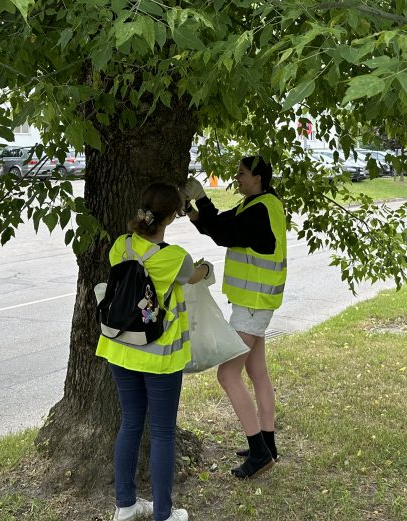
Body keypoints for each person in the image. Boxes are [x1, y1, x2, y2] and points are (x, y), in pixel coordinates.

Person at [96, 182, 211, 521]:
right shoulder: (175, 258)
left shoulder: (120, 245)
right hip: (160, 357)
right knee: (161, 432)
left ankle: (125, 506)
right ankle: (163, 514)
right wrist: (206, 269)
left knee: (130, 423)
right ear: (173, 216)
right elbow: (193, 276)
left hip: (120, 349)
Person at [183, 155, 286, 480]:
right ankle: (268, 444)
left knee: (227, 375)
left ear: (258, 177)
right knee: (256, 372)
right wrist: (194, 212)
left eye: (242, 173)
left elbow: (224, 232)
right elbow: (217, 225)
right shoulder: (254, 205)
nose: (237, 177)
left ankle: (259, 454)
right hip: (254, 303)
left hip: (253, 305)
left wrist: (201, 198)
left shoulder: (260, 210)